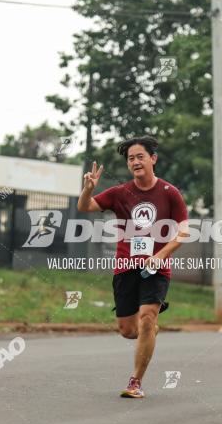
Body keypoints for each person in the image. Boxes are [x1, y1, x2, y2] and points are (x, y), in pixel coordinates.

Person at [76, 136, 189, 399]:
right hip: (125, 267)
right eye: (130, 159)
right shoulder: (119, 193)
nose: (135, 162)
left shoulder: (169, 193)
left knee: (148, 317)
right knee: (129, 330)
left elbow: (183, 232)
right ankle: (149, 332)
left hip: (156, 269)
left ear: (153, 159)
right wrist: (88, 189)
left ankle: (135, 382)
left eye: (140, 156)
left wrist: (160, 255)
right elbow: (85, 207)